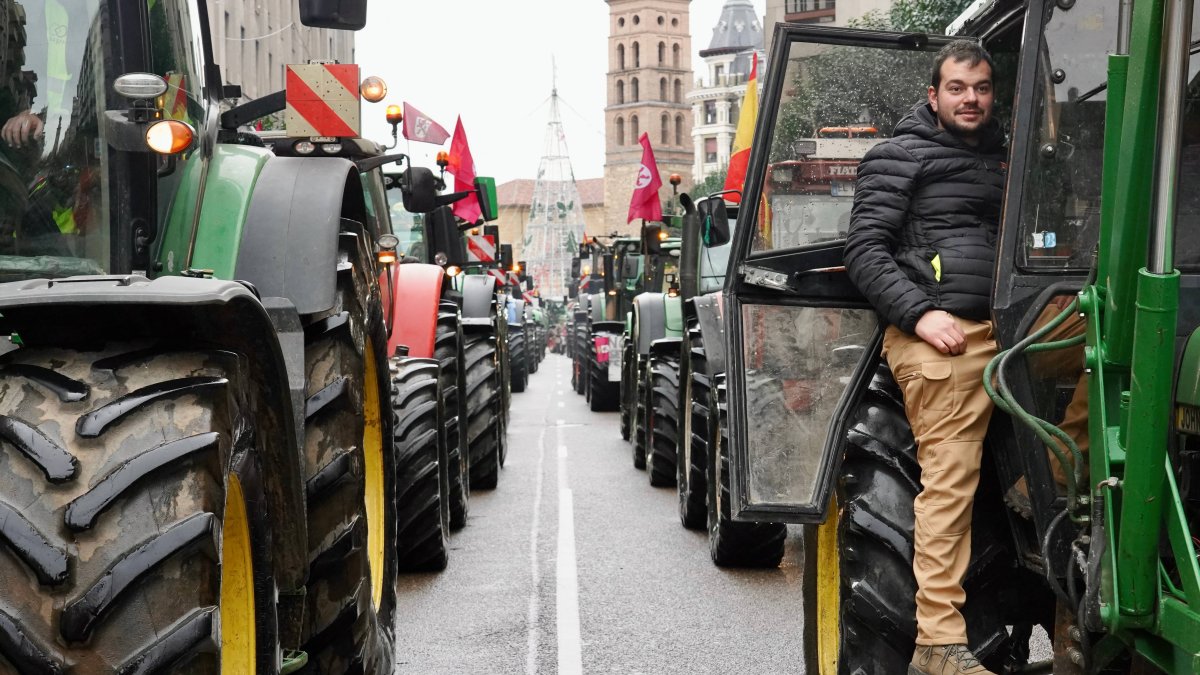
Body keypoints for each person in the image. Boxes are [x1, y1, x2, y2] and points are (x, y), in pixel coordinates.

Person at [844, 40, 1007, 675]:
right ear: (933, 96)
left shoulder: (1012, 162)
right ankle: (938, 641)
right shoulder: (898, 156)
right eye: (959, 88)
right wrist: (920, 314)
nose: (972, 99)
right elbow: (865, 252)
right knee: (951, 478)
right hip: (944, 334)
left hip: (1016, 330)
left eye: (983, 88)